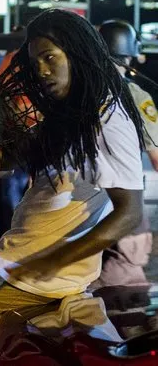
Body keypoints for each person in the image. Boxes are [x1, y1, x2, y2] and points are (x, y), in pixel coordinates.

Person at [0, 9, 145, 364]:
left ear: (78, 53)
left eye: (50, 57)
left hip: (22, 270)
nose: (41, 71)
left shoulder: (107, 119)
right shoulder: (75, 111)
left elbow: (129, 212)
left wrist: (54, 260)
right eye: (35, 62)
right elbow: (9, 157)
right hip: (47, 274)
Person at [90, 19, 156, 288]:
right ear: (130, 55)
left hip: (78, 204)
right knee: (127, 279)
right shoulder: (136, 96)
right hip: (124, 205)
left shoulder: (77, 93)